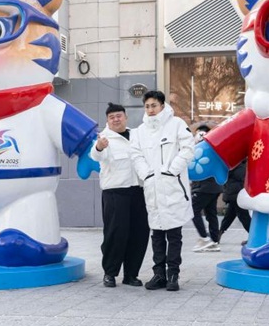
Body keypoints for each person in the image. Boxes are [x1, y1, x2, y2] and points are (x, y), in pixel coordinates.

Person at [130, 90, 195, 292]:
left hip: (172, 187)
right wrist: (146, 174)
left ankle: (173, 274)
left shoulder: (176, 124)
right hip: (153, 189)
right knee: (157, 234)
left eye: (154, 105)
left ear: (162, 105)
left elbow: (188, 148)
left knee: (174, 234)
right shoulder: (139, 131)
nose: (150, 109)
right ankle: (159, 274)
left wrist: (171, 170)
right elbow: (135, 155)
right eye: (147, 106)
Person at [90, 102, 149, 287]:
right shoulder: (103, 138)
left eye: (119, 116)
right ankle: (110, 272)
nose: (116, 119)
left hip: (138, 191)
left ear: (125, 117)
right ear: (107, 120)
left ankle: (131, 274)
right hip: (115, 192)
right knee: (116, 234)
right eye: (111, 117)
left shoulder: (137, 136)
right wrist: (99, 147)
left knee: (139, 234)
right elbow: (96, 156)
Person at [190, 124, 222, 252]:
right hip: (215, 186)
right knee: (211, 213)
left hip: (204, 186)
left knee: (193, 211)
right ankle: (214, 241)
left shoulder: (201, 146)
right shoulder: (214, 146)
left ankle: (205, 239)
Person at [218, 158, 251, 244]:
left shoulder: (238, 166)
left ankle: (254, 237)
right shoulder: (239, 165)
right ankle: (220, 232)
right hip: (235, 193)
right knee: (230, 215)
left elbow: (231, 175)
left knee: (243, 216)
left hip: (236, 194)